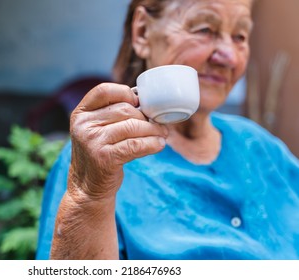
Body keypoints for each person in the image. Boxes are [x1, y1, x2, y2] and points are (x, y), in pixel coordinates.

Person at [36, 0, 299, 260]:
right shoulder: (98, 161)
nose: (229, 57)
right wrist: (90, 195)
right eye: (205, 29)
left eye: (240, 36)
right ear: (142, 32)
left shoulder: (262, 147)